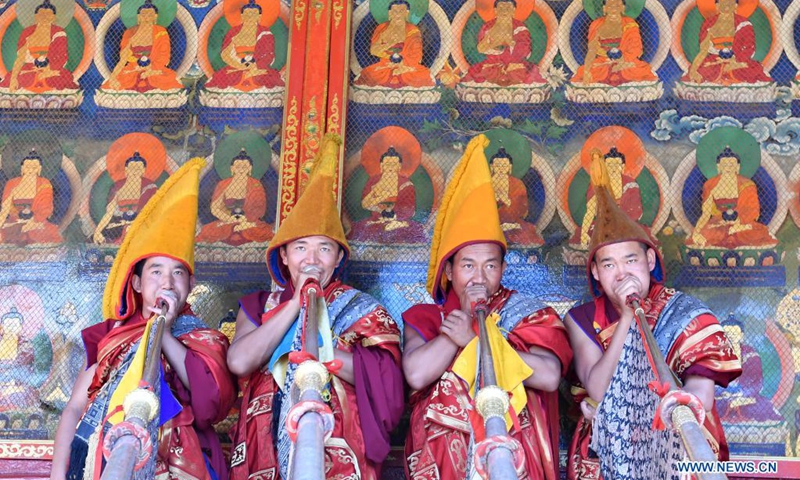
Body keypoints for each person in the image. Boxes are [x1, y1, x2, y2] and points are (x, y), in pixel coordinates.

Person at [227, 135, 404, 480]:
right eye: (300, 248)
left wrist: (324, 351)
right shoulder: (261, 305)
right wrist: (294, 305)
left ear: (338, 257)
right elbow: (239, 361)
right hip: (263, 438)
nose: (311, 259)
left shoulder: (361, 308)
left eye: (324, 249)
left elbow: (388, 382)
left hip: (336, 440)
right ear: (283, 254)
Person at [50, 159, 236, 480]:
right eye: (156, 271)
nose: (167, 282)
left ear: (190, 286)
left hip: (181, 462)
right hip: (104, 457)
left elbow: (211, 405)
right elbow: (75, 410)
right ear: (136, 283)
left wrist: (161, 331)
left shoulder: (204, 338)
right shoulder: (112, 336)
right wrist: (58, 475)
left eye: (178, 272)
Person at [403, 135, 572, 479]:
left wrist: (476, 340)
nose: (479, 276)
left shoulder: (528, 312)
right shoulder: (426, 317)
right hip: (445, 457)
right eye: (467, 266)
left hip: (516, 456)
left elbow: (550, 377)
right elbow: (417, 374)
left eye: (490, 266)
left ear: (503, 269)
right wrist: (456, 331)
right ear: (448, 271)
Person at [565, 155, 742, 479]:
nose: (621, 274)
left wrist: (646, 421)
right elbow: (599, 388)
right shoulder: (582, 318)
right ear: (595, 272)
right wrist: (631, 316)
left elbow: (699, 397)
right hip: (609, 447)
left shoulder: (686, 314)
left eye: (630, 260)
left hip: (677, 437)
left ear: (649, 260)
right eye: (608, 265)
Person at [687, 146, 777, 250]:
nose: (728, 167)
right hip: (719, 224)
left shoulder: (747, 184)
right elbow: (705, 214)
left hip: (742, 225)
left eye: (731, 164)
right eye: (724, 164)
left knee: (757, 232)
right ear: (718, 166)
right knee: (706, 232)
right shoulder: (710, 185)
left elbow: (753, 211)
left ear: (738, 167)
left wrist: (738, 224)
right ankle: (726, 234)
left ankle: (731, 234)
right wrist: (697, 232)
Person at [196, 148, 273, 245]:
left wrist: (245, 221)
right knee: (207, 231)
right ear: (232, 168)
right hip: (227, 220)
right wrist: (228, 219)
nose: (241, 170)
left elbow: (260, 209)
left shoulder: (255, 184)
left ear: (250, 168)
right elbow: (215, 208)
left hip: (249, 222)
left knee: (263, 231)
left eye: (244, 167)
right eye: (238, 166)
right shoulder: (223, 184)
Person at [102, 0, 183, 92]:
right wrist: (113, 77)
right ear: (138, 17)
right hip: (133, 69)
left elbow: (164, 57)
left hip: (155, 70)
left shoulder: (161, 32)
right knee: (114, 83)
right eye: (143, 14)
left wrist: (150, 69)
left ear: (155, 17)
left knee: (167, 78)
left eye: (150, 15)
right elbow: (123, 60)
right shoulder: (129, 33)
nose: (147, 18)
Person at [572, 147, 644, 249]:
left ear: (623, 167)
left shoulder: (630, 184)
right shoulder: (599, 184)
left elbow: (636, 211)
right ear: (604, 166)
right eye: (609, 165)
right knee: (585, 234)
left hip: (626, 224)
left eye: (616, 165)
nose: (613, 168)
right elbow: (590, 212)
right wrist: (584, 234)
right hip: (604, 222)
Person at [571, 0, 657, 86]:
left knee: (640, 69)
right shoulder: (596, 25)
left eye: (617, 6)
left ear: (623, 8)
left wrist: (621, 61)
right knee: (584, 72)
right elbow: (592, 50)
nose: (614, 10)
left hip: (626, 62)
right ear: (604, 9)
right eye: (610, 6)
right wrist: (586, 71)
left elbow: (635, 49)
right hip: (604, 62)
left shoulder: (630, 24)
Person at [0, 0, 78, 93]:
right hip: (31, 68)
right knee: (10, 78)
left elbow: (61, 56)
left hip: (52, 69)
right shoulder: (27, 32)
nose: (44, 17)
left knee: (65, 77)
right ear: (36, 16)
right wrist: (13, 78)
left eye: (48, 15)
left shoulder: (58, 32)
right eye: (41, 14)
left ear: (54, 17)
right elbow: (20, 58)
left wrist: (48, 71)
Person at [685, 0, 771, 85]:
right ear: (717, 5)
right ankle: (724, 73)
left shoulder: (744, 24)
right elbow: (703, 50)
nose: (727, 5)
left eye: (730, 2)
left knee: (753, 69)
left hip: (738, 60)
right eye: (723, 2)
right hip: (715, 61)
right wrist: (693, 70)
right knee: (703, 69)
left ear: (736, 6)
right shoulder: (709, 23)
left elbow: (749, 48)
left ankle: (727, 73)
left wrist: (735, 62)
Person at [349, 146, 424, 242]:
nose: (390, 168)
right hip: (376, 220)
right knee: (360, 228)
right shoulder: (374, 181)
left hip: (398, 221)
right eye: (388, 164)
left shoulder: (406, 183)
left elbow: (409, 210)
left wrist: (395, 219)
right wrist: (382, 195)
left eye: (394, 164)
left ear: (399, 167)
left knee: (412, 230)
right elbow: (365, 204)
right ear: (381, 166)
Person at [204, 0, 283, 90]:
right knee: (221, 77)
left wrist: (255, 66)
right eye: (247, 14)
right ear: (242, 16)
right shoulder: (233, 32)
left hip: (258, 69)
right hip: (236, 66)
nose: (250, 17)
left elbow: (268, 55)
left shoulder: (265, 33)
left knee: (271, 77)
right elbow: (225, 54)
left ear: (259, 16)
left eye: (253, 14)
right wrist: (239, 65)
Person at [462, 0, 545, 86]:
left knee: (520, 72)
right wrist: (494, 42)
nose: (504, 11)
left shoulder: (520, 27)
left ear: (513, 10)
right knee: (485, 72)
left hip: (515, 65)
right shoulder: (488, 27)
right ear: (495, 10)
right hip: (492, 65)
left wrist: (511, 43)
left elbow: (526, 50)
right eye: (501, 8)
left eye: (508, 7)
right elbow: (480, 49)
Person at [354, 0, 434, 88]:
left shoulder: (412, 30)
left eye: (401, 11)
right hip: (385, 65)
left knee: (423, 75)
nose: (398, 14)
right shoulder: (382, 28)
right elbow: (373, 50)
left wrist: (402, 65)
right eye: (395, 11)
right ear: (390, 13)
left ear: (407, 13)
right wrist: (389, 46)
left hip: (406, 66)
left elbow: (417, 56)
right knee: (369, 74)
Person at [93, 151, 158, 244]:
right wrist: (98, 231)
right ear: (126, 170)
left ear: (144, 170)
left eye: (138, 168)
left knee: (129, 231)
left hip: (140, 225)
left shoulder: (150, 187)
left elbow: (149, 212)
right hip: (118, 225)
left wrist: (131, 224)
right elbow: (109, 213)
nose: (135, 172)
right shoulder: (118, 186)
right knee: (95, 238)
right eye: (132, 168)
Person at [0, 149, 62, 245]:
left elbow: (46, 209)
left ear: (39, 169)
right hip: (15, 222)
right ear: (22, 168)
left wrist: (32, 222)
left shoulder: (44, 183)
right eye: (27, 167)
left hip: (38, 223)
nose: (30, 170)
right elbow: (5, 209)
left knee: (42, 234)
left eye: (34, 167)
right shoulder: (12, 183)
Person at [490, 147, 544, 245]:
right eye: (497, 165)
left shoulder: (517, 184)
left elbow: (523, 208)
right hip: (489, 221)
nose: (501, 169)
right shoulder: (486, 183)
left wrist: (509, 202)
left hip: (512, 222)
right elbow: (479, 205)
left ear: (510, 167)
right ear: (491, 167)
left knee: (526, 234)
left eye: (504, 165)